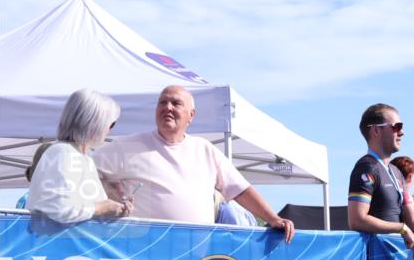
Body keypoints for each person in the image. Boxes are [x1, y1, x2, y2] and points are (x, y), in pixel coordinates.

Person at [94, 85, 294, 241]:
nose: (168, 108)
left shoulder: (204, 150)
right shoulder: (127, 147)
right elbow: (85, 169)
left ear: (191, 115)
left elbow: (239, 189)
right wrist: (110, 197)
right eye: (162, 102)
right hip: (148, 259)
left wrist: (273, 219)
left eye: (176, 103)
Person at [347, 103, 414, 260]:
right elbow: (357, 220)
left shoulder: (396, 172)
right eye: (396, 127)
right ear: (376, 130)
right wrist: (401, 228)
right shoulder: (366, 168)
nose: (402, 132)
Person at [26, 89, 131, 223]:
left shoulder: (83, 157)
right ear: (94, 123)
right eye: (111, 123)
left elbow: (81, 211)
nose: (111, 129)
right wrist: (101, 208)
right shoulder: (63, 152)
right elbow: (58, 208)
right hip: (58, 242)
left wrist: (115, 210)